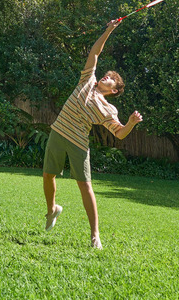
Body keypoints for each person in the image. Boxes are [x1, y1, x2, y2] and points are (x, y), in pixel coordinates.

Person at [42, 19, 143, 249]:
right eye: (105, 75)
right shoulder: (87, 80)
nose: (105, 76)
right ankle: (52, 210)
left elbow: (119, 134)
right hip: (59, 131)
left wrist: (131, 123)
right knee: (48, 175)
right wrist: (109, 30)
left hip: (78, 142)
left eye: (110, 78)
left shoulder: (109, 109)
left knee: (85, 185)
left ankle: (95, 235)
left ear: (114, 90)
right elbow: (95, 53)